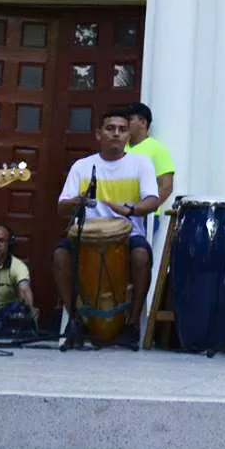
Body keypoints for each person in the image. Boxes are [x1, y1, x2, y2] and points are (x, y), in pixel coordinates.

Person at [52, 107, 160, 347]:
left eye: (122, 130)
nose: (116, 134)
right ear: (98, 134)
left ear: (128, 136)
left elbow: (152, 200)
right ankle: (76, 321)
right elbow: (62, 206)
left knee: (142, 256)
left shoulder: (141, 164)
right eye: (110, 129)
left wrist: (130, 210)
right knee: (60, 255)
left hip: (128, 232)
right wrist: (76, 201)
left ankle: (132, 324)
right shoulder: (82, 167)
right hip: (88, 234)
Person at [123, 101, 176, 216]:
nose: (125, 123)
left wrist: (147, 207)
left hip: (145, 216)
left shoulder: (157, 149)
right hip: (120, 213)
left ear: (142, 122)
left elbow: (166, 186)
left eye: (130, 119)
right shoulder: (121, 147)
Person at [0, 223, 38, 333]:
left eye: (1, 241)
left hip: (4, 314)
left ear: (9, 243)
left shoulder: (18, 266)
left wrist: (29, 309)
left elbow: (24, 288)